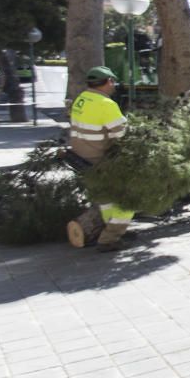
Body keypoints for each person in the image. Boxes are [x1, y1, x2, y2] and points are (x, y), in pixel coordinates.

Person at [69, 66, 135, 252]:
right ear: (108, 82)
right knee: (129, 200)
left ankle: (112, 230)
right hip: (100, 159)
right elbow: (123, 134)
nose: (114, 86)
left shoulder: (81, 99)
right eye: (113, 82)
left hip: (81, 158)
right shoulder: (106, 104)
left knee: (105, 199)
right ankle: (110, 238)